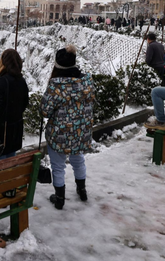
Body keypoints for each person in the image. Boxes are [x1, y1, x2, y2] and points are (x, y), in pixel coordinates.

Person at [40, 45, 95, 210]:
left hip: (59, 135)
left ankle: (59, 198)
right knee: (78, 160)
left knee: (58, 166)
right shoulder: (87, 81)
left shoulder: (56, 86)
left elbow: (45, 111)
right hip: (81, 132)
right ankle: (82, 190)